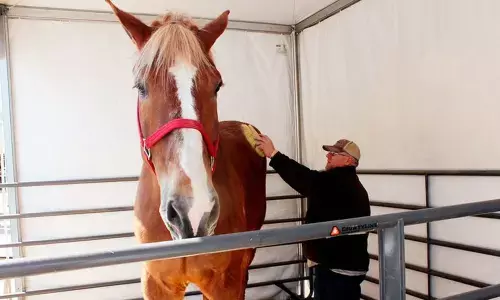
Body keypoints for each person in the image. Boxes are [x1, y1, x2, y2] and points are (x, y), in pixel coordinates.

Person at [255, 135, 370, 300]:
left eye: (334, 154)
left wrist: (274, 154)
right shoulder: (349, 183)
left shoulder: (338, 182)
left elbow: (305, 179)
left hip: (337, 269)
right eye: (329, 152)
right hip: (346, 265)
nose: (328, 156)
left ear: (348, 161)